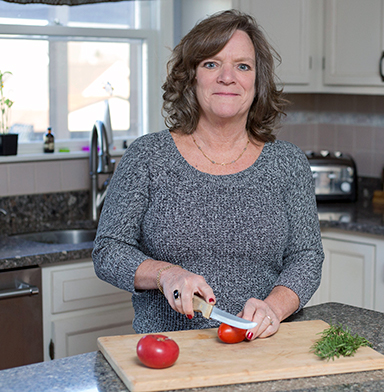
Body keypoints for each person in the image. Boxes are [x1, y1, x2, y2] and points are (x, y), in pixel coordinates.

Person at [92, 9, 324, 341]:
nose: (227, 77)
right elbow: (108, 250)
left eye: (242, 66)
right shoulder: (148, 156)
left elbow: (306, 256)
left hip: (264, 348)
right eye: (211, 64)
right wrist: (165, 275)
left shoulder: (287, 163)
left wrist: (274, 307)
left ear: (257, 82)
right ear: (191, 77)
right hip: (170, 351)